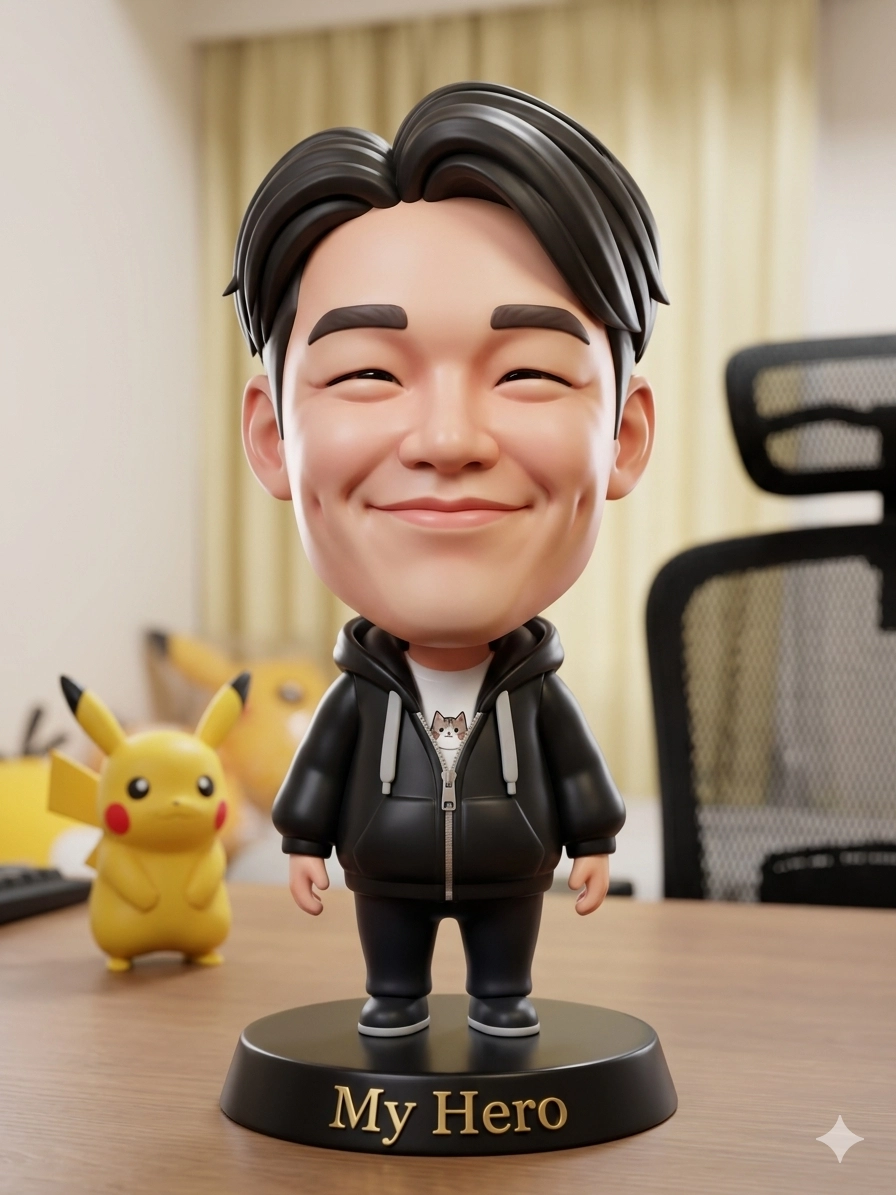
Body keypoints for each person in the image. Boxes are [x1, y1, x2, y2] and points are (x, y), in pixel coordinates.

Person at [229, 82, 667, 1038]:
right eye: (368, 373)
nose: (447, 439)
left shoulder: (539, 695)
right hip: (384, 871)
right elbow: (320, 772)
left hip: (513, 871)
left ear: (624, 438)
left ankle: (503, 1001)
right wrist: (301, 839)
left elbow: (577, 773)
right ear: (272, 439)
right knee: (392, 968)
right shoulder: (357, 695)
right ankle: (394, 1002)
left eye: (528, 372)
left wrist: (595, 838)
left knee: (505, 967)